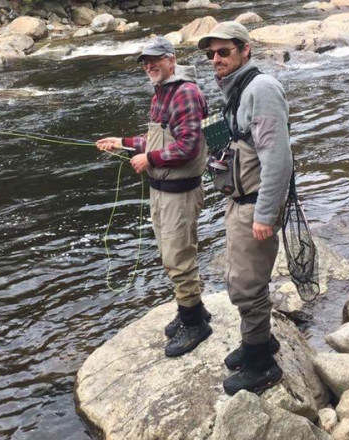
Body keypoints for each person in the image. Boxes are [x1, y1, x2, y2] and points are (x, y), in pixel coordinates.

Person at [96, 37, 211, 358]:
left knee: (178, 257)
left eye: (155, 60)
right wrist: (123, 142)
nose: (149, 66)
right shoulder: (163, 92)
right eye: (145, 61)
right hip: (162, 191)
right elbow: (158, 137)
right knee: (171, 255)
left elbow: (188, 146)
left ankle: (195, 324)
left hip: (180, 193)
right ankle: (195, 311)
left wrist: (150, 160)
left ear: (171, 60)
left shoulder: (185, 92)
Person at [197, 22, 292, 395]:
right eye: (211, 54)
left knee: (246, 285)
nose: (216, 59)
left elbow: (278, 159)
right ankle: (261, 341)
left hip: (255, 206)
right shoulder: (235, 90)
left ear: (245, 50)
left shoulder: (261, 90)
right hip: (240, 201)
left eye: (224, 52)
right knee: (241, 278)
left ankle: (261, 364)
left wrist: (266, 215)